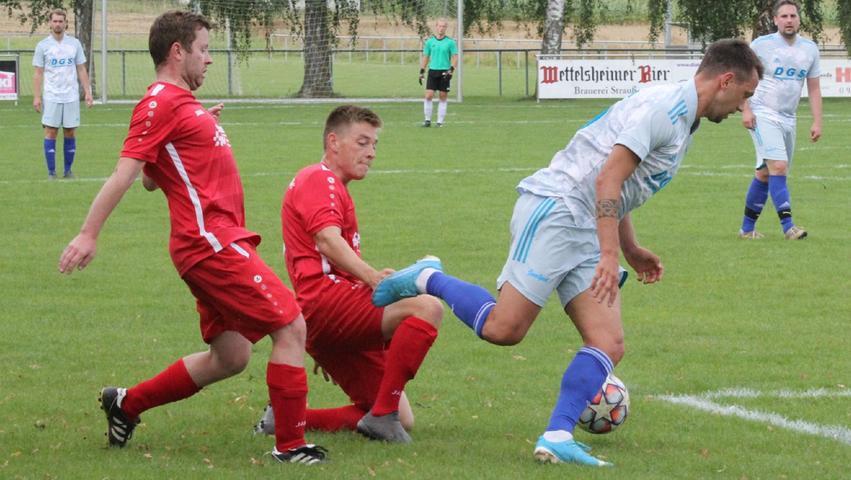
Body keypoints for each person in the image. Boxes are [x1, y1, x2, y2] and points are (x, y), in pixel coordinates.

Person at [373, 39, 762, 466]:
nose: (742, 108)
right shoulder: (664, 110)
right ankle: (429, 277)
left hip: (587, 224)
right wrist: (611, 254)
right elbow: (607, 180)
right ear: (726, 80)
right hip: (557, 210)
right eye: (745, 96)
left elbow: (621, 185)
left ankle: (557, 434)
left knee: (609, 342)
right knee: (505, 330)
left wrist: (628, 249)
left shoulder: (685, 118)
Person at [57, 10, 327, 465]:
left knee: (231, 356)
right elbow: (127, 173)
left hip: (216, 242)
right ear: (176, 51)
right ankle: (290, 446)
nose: (209, 60)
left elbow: (152, 177)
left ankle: (127, 404)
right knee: (291, 326)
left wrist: (197, 125)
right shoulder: (161, 101)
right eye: (203, 50)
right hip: (211, 243)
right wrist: (88, 234)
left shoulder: (181, 106)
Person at [255, 105, 442, 443]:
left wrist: (362, 281)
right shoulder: (319, 177)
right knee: (428, 306)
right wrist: (371, 277)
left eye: (374, 145)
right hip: (325, 302)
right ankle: (381, 418)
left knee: (405, 416)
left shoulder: (333, 186)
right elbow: (326, 240)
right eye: (362, 142)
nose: (370, 153)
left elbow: (326, 250)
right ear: (333, 142)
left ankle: (283, 417)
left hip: (328, 311)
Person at [738, 0, 820, 240]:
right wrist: (746, 109)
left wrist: (817, 121)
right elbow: (744, 77)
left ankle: (747, 229)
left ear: (798, 19)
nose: (789, 20)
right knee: (779, 167)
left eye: (793, 16)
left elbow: (814, 88)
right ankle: (789, 227)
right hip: (762, 113)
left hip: (788, 118)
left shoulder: (810, 49)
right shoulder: (761, 45)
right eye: (783, 16)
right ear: (775, 20)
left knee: (766, 173)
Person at [32, 8, 93, 180]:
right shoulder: (42, 46)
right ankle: (51, 172)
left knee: (70, 132)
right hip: (51, 96)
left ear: (66, 23)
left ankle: (68, 171)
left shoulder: (74, 44)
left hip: (71, 96)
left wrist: (87, 92)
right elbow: (38, 72)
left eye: (61, 21)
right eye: (55, 21)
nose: (58, 24)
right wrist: (37, 97)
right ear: (50, 23)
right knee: (51, 132)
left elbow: (81, 69)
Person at [418, 19, 458, 127]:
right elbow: (426, 57)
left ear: (446, 28)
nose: (441, 28)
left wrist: (451, 70)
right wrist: (422, 71)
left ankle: (439, 122)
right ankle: (427, 120)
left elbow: (455, 57)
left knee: (443, 96)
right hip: (432, 71)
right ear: (436, 27)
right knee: (428, 96)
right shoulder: (430, 42)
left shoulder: (450, 42)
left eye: (444, 26)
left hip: (445, 71)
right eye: (439, 26)